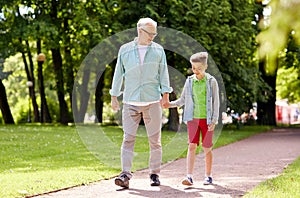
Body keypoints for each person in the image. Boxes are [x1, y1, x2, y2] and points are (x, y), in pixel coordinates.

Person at [110, 17, 173, 188]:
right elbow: (118, 74)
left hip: (152, 101)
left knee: (155, 141)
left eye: (155, 33)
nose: (153, 36)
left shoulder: (158, 50)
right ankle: (125, 175)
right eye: (150, 33)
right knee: (128, 139)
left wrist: (165, 95)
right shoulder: (125, 50)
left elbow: (163, 73)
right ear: (140, 31)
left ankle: (154, 174)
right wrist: (114, 96)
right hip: (130, 102)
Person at [168, 52, 219, 185]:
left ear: (206, 66)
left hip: (207, 121)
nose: (195, 71)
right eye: (193, 68)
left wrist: (214, 120)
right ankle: (189, 176)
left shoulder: (211, 81)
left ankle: (208, 176)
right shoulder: (190, 81)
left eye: (199, 68)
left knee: (207, 148)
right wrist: (170, 104)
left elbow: (216, 102)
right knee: (191, 146)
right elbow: (183, 99)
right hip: (193, 120)